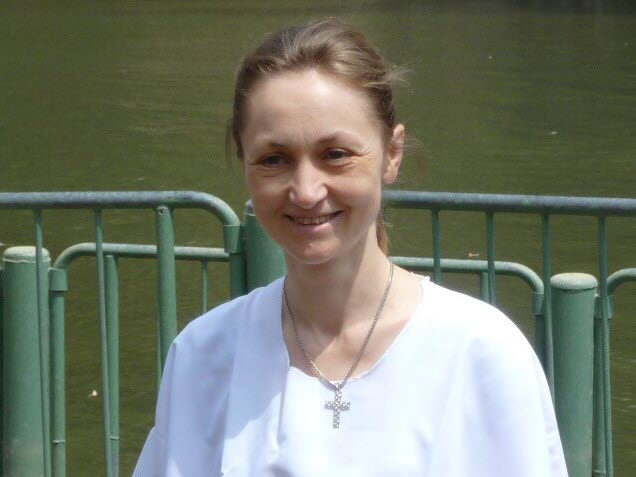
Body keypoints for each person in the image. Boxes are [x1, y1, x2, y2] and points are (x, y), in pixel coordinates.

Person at [134, 18, 567, 476]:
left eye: (335, 154)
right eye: (274, 159)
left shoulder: (482, 353)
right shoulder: (203, 355)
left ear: (392, 153)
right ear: (244, 162)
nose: (306, 191)